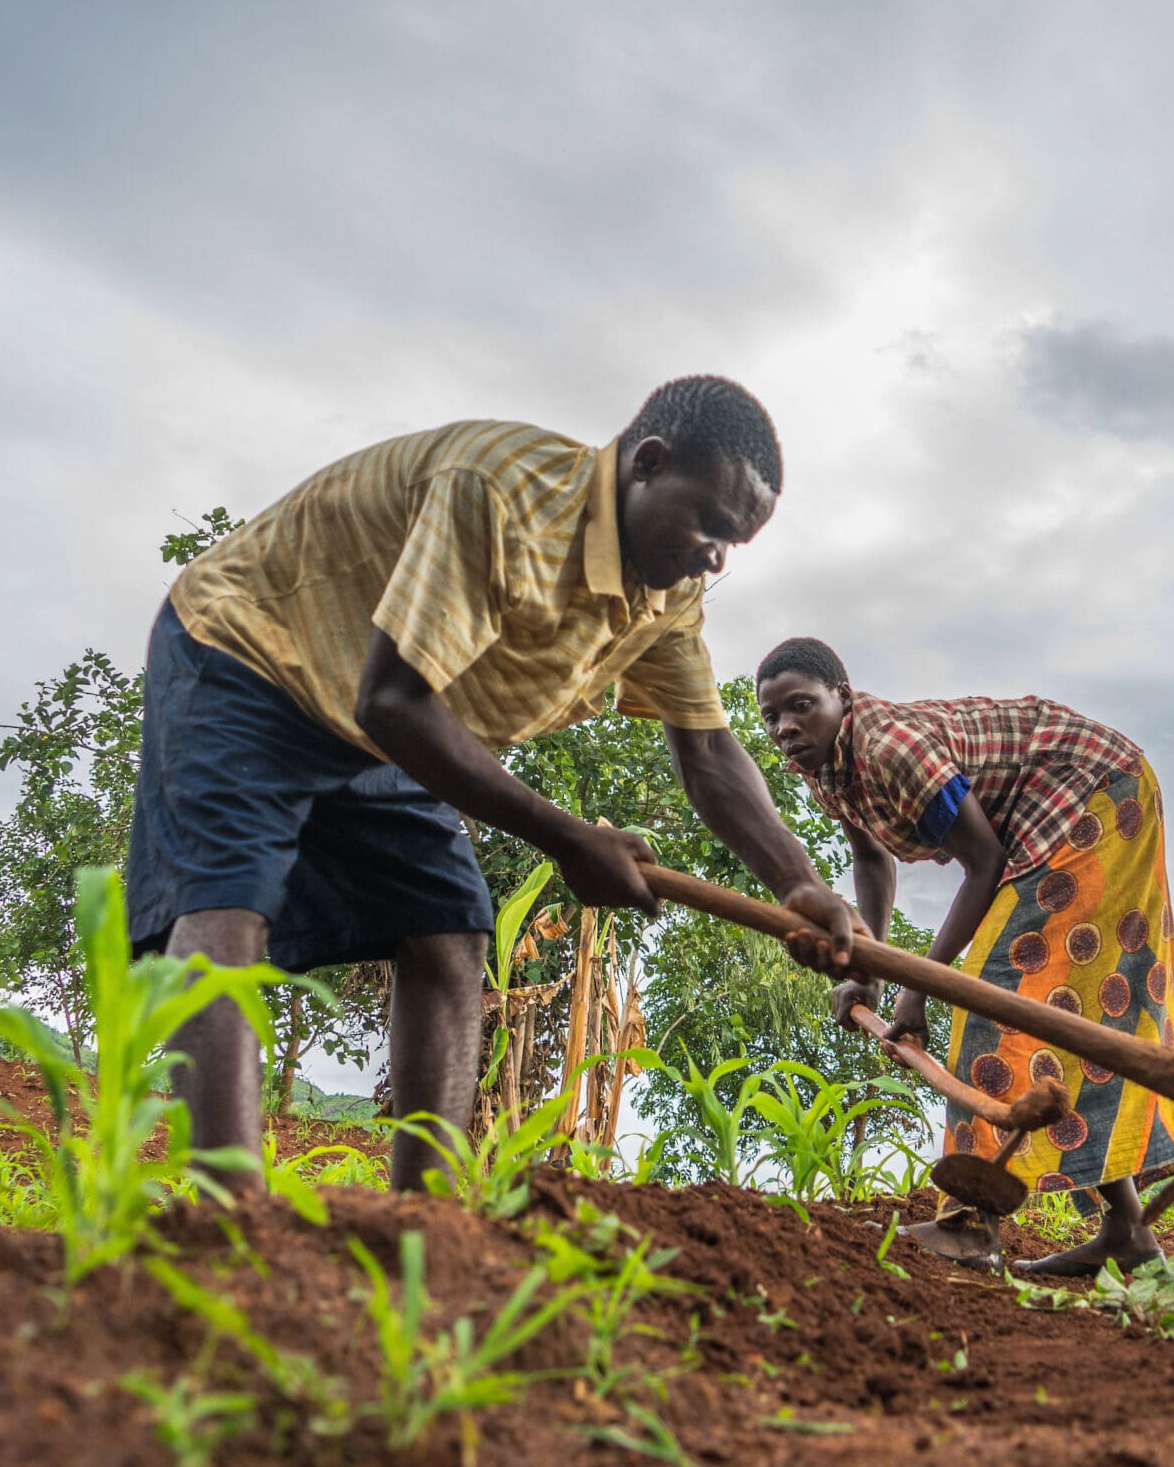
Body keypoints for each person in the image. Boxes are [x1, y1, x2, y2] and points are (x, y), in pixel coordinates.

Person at [126, 377, 854, 1194]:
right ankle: (225, 1213)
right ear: (648, 464)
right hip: (251, 654)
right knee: (228, 904)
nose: (716, 557)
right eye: (711, 525)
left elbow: (710, 753)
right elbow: (396, 698)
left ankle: (424, 1215)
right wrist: (568, 837)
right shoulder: (503, 495)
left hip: (374, 719)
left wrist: (799, 883)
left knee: (448, 927)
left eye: (734, 544)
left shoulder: (665, 595)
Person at [754, 637, 1174, 1276]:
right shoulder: (825, 768)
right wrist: (872, 970)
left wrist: (919, 988)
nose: (787, 727)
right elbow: (870, 860)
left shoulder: (890, 750)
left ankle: (969, 1226)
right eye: (772, 717)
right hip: (1059, 814)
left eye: (802, 705)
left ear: (844, 698)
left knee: (990, 1000)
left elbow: (984, 861)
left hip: (1094, 795)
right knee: (1060, 1016)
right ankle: (1129, 1230)